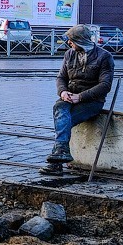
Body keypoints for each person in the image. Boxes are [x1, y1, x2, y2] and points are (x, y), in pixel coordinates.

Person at [40, 24, 115, 176]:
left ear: (81, 41)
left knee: (64, 121)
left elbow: (105, 85)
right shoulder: (69, 54)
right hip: (69, 97)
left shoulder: (104, 57)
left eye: (72, 40)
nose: (69, 43)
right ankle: (61, 154)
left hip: (91, 102)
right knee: (59, 108)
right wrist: (63, 92)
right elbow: (61, 77)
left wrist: (80, 97)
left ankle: (56, 163)